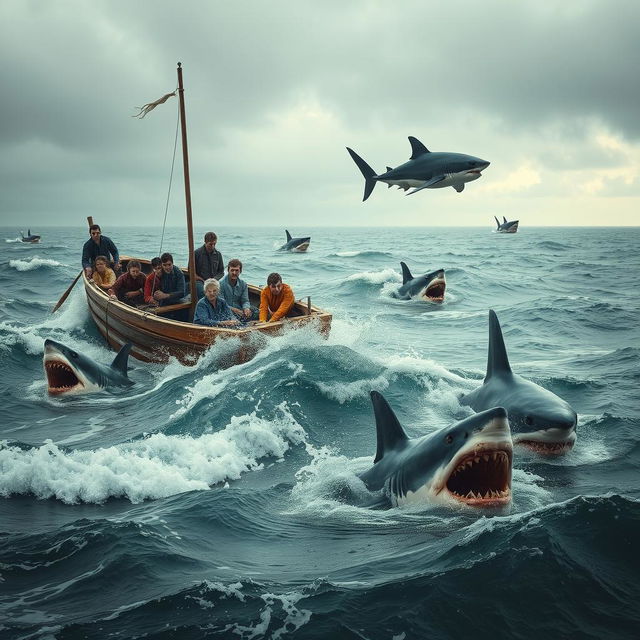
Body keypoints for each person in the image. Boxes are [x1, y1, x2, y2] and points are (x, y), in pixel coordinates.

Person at [192, 232, 224, 298]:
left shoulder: (218, 254)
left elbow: (221, 272)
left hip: (214, 281)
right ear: (205, 242)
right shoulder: (196, 253)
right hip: (200, 282)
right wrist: (203, 280)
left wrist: (214, 279)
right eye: (210, 244)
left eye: (214, 244)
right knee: (205, 293)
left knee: (221, 294)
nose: (213, 246)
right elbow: (191, 272)